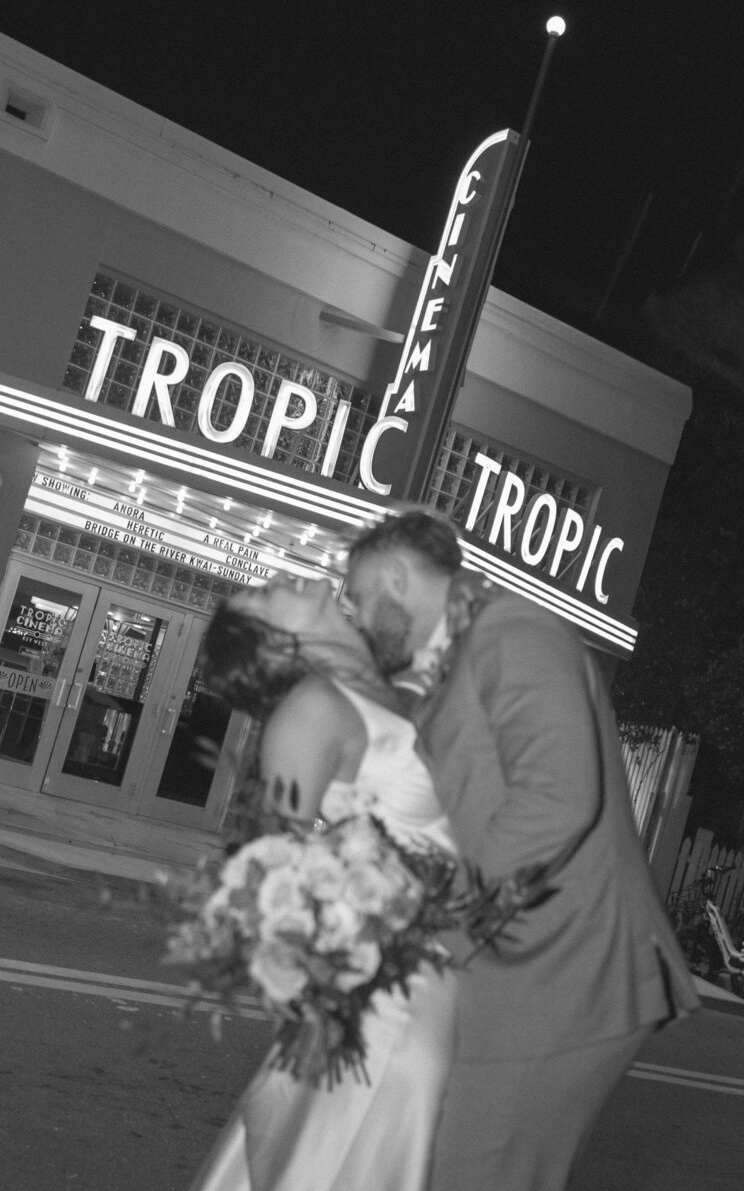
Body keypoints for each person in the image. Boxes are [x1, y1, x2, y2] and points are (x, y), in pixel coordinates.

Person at [346, 510, 700, 1191]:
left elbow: (558, 800)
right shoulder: (456, 669)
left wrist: (435, 919)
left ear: (396, 575)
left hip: (572, 977)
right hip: (522, 972)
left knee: (475, 1173)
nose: (357, 617)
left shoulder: (513, 633)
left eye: (358, 597)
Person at [186, 572, 458, 1191]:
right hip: (396, 1004)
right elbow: (270, 873)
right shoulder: (312, 710)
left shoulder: (399, 683)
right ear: (275, 644)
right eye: (256, 597)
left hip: (460, 982)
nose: (270, 579)